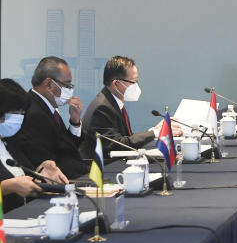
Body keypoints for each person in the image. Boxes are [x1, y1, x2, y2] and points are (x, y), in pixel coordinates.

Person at [82, 56, 183, 161]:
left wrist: (153, 131)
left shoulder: (113, 102)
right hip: (102, 170)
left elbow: (126, 139)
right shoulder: (102, 108)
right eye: (133, 82)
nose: (136, 86)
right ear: (116, 84)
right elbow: (119, 145)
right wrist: (156, 133)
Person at [8, 56, 92, 180]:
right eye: (67, 84)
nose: (70, 89)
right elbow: (52, 162)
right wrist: (91, 171)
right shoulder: (34, 112)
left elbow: (66, 147)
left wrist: (74, 121)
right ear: (48, 84)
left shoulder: (47, 107)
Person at [0, 79, 69, 211]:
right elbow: (12, 183)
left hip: (24, 215)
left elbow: (23, 176)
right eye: (16, 113)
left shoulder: (10, 141)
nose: (19, 118)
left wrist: (41, 171)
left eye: (22, 113)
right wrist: (7, 187)